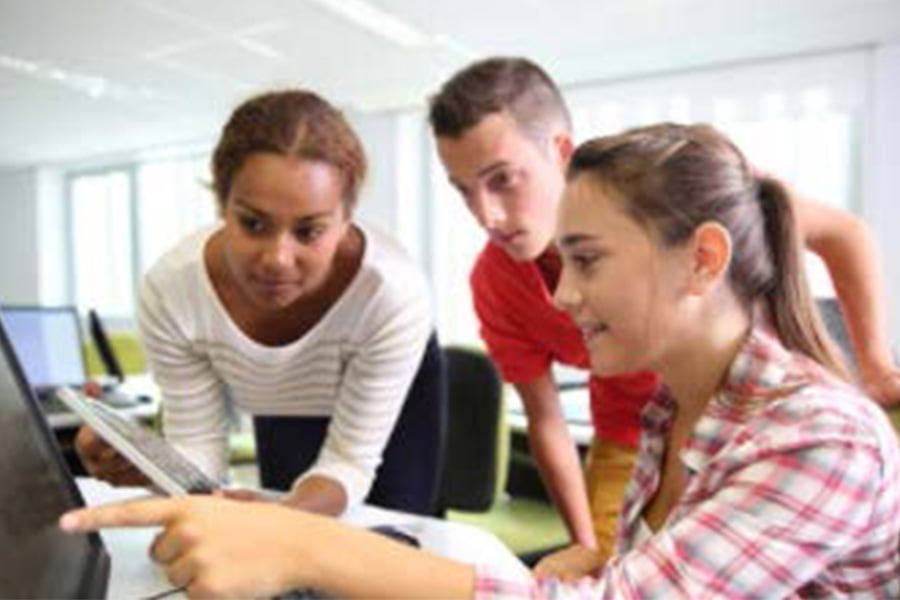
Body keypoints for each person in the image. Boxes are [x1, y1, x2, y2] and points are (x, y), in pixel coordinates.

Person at [60, 123, 900, 599]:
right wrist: (608, 561)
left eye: (588, 260)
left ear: (703, 261)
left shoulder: (820, 439)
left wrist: (302, 548)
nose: (563, 297)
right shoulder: (674, 407)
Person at [427, 56, 900, 576]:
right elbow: (548, 422)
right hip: (642, 433)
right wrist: (589, 550)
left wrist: (874, 366)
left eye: (503, 179)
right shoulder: (660, 416)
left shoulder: (674, 193)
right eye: (463, 190)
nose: (485, 214)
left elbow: (843, 234)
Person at [74, 89, 443, 517]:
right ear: (221, 204)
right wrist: (153, 470)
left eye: (309, 232)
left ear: (346, 219)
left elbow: (349, 462)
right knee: (286, 515)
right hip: (282, 386)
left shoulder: (393, 294)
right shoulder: (172, 291)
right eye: (252, 224)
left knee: (393, 536)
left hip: (386, 390)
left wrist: (276, 522)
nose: (276, 261)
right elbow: (199, 451)